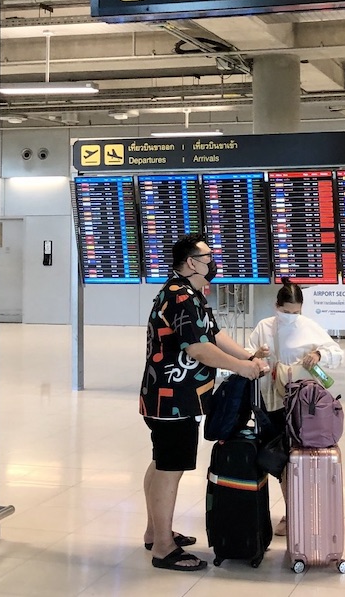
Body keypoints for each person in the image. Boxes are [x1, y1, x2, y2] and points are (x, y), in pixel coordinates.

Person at [140, 233, 267, 572]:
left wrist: (248, 355)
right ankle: (164, 548)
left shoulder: (187, 293)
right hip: (172, 399)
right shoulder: (180, 296)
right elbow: (198, 349)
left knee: (162, 462)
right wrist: (241, 367)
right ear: (192, 262)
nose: (213, 261)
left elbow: (213, 333)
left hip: (172, 397)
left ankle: (156, 532)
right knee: (171, 467)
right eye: (208, 256)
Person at [246, 277, 343, 536]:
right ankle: (292, 512)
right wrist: (256, 356)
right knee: (281, 457)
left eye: (295, 312)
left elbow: (336, 353)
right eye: (285, 311)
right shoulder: (264, 327)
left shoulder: (309, 327)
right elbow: (248, 354)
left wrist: (319, 355)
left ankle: (301, 511)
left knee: (301, 456)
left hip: (303, 404)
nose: (290, 316)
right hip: (272, 401)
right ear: (276, 306)